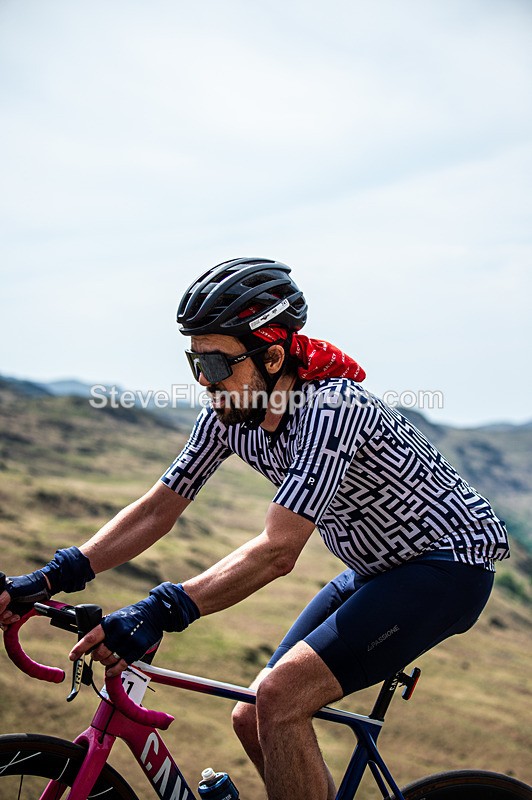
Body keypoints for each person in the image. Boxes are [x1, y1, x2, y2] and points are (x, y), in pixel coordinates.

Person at [0, 258, 510, 800]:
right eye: (194, 363)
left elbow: (277, 551)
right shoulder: (229, 411)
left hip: (446, 568)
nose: (204, 382)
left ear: (272, 355)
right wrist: (53, 577)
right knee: (251, 716)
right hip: (374, 570)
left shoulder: (330, 409)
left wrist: (158, 610)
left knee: (281, 699)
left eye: (218, 366)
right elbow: (158, 510)